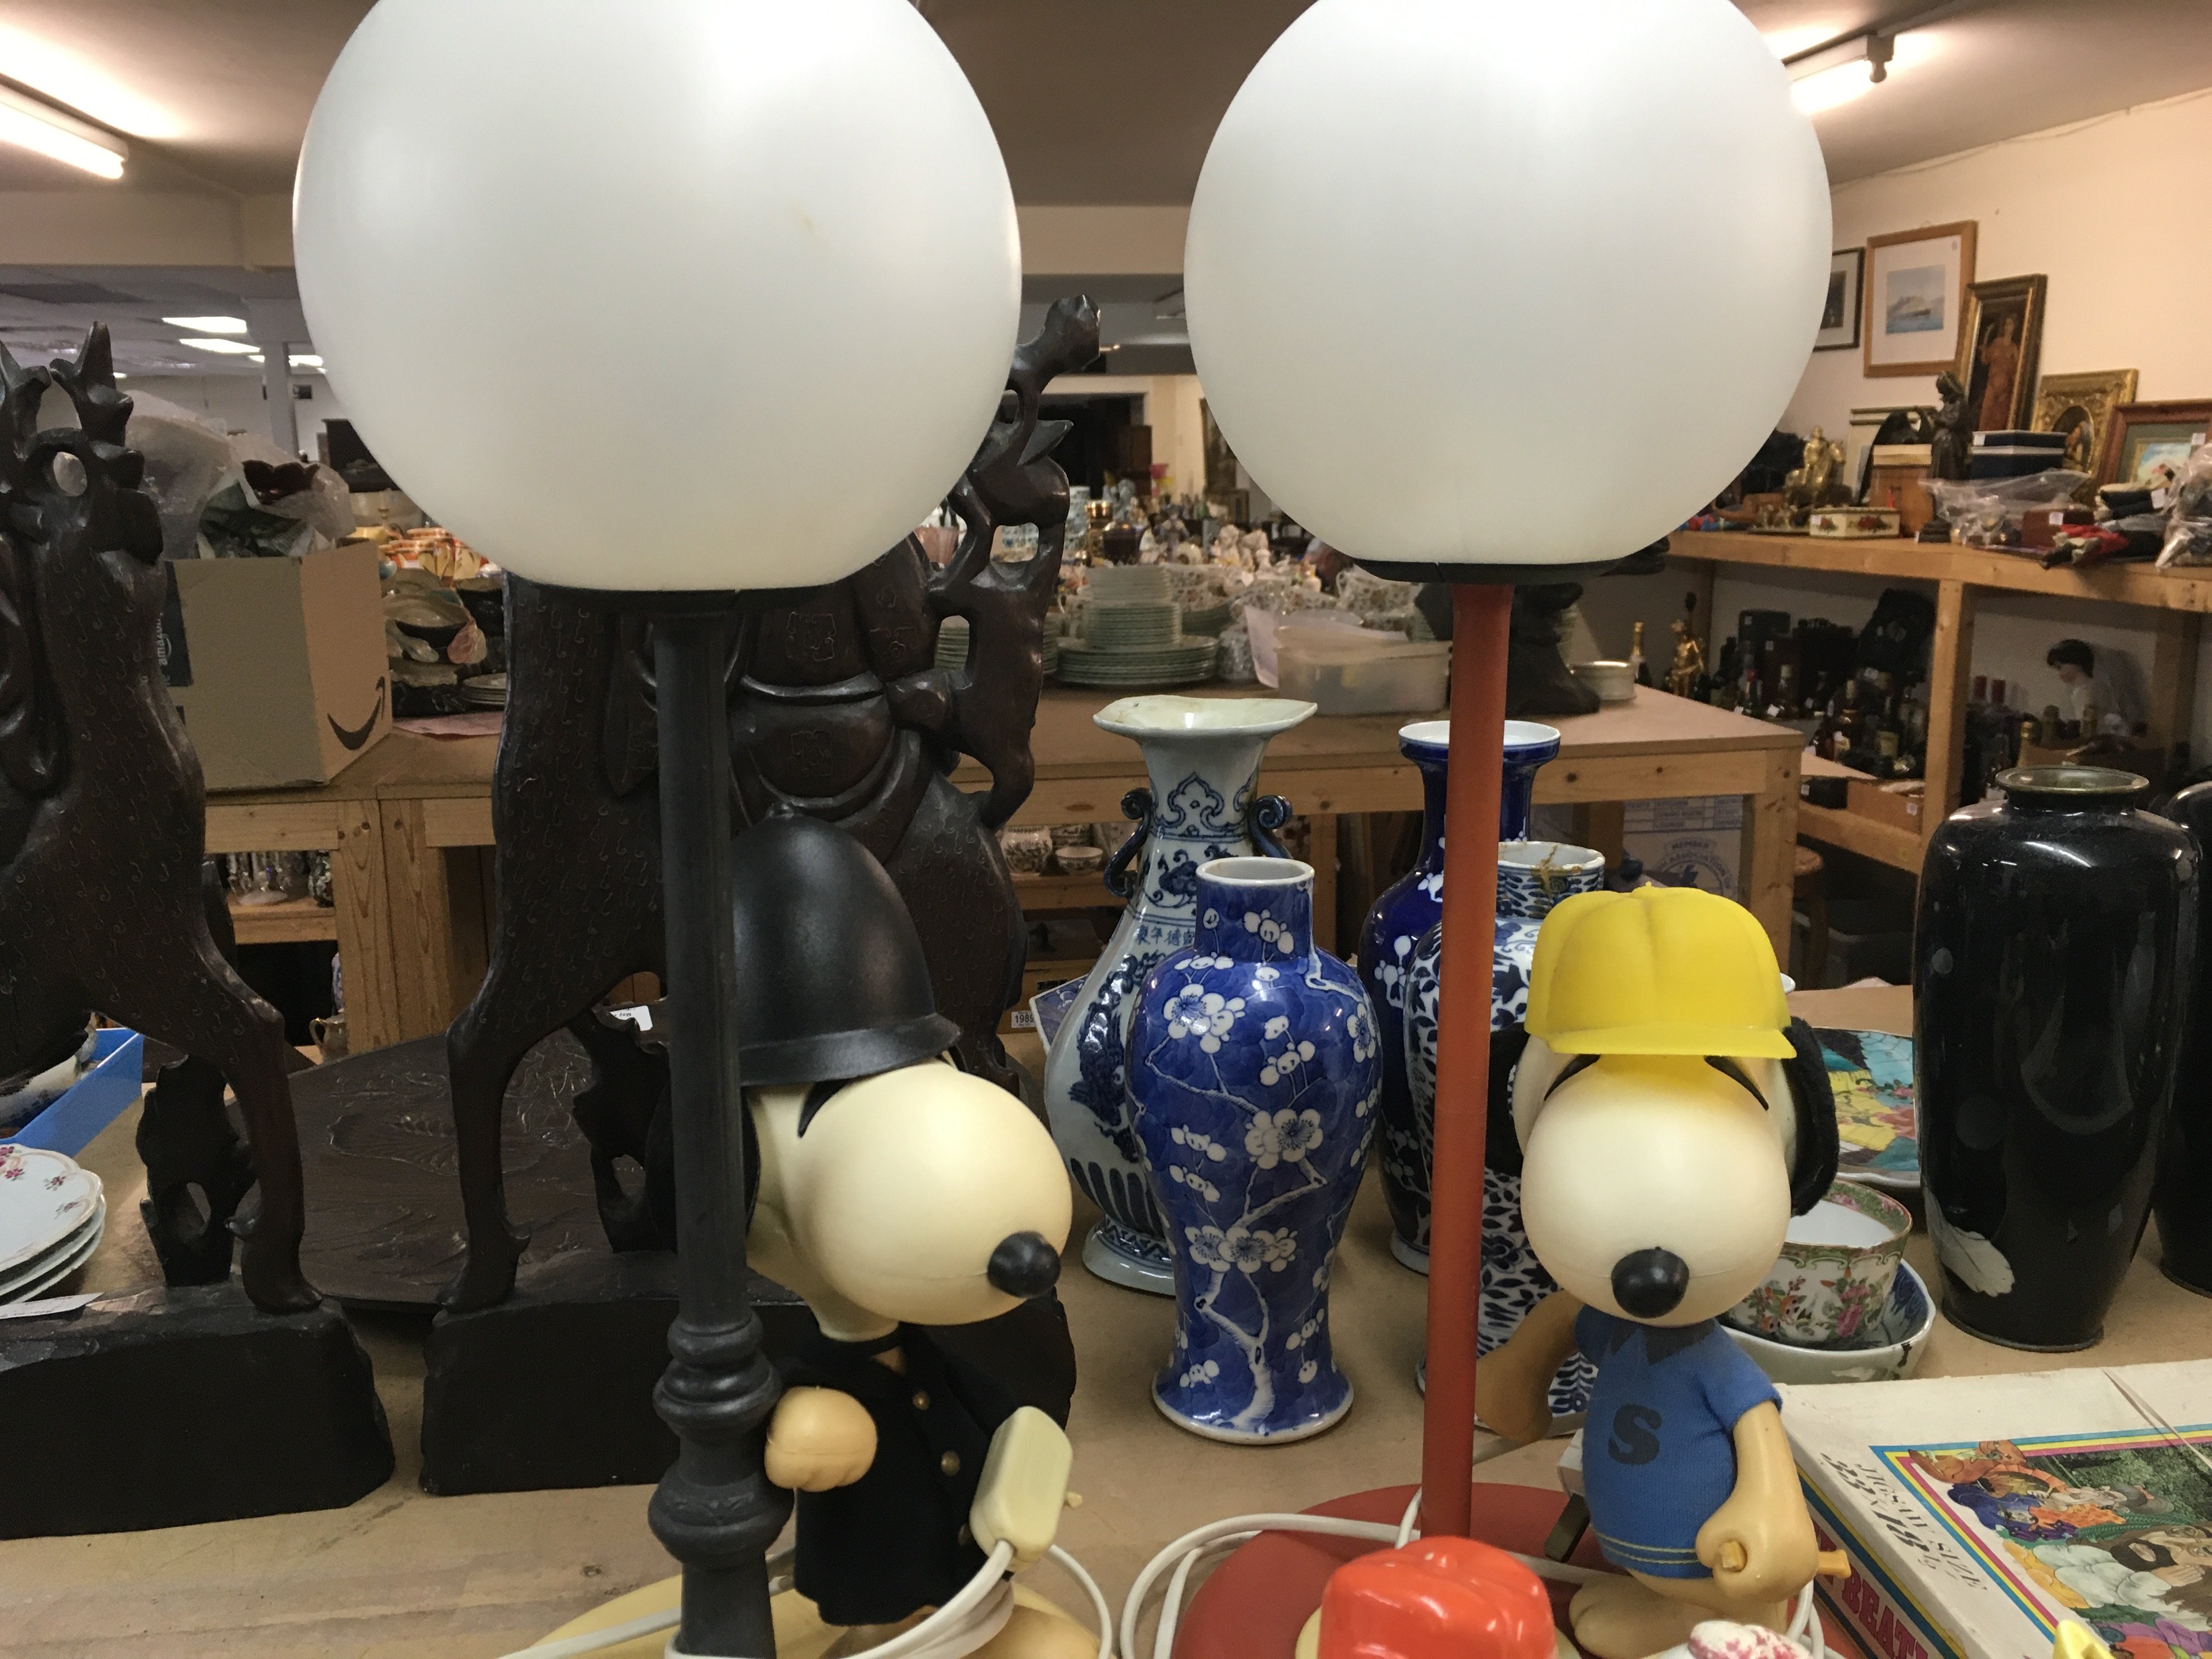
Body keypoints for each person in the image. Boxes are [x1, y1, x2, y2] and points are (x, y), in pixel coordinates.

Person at [1978, 314, 2021, 430]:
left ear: (2014, 327)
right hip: (1992, 387)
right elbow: (1985, 360)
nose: (2008, 327)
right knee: (1986, 417)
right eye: (2006, 324)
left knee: (1999, 421)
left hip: (2004, 393)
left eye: (2010, 325)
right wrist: (1985, 346)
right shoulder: (1997, 343)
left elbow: (2017, 373)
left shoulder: (2014, 349)